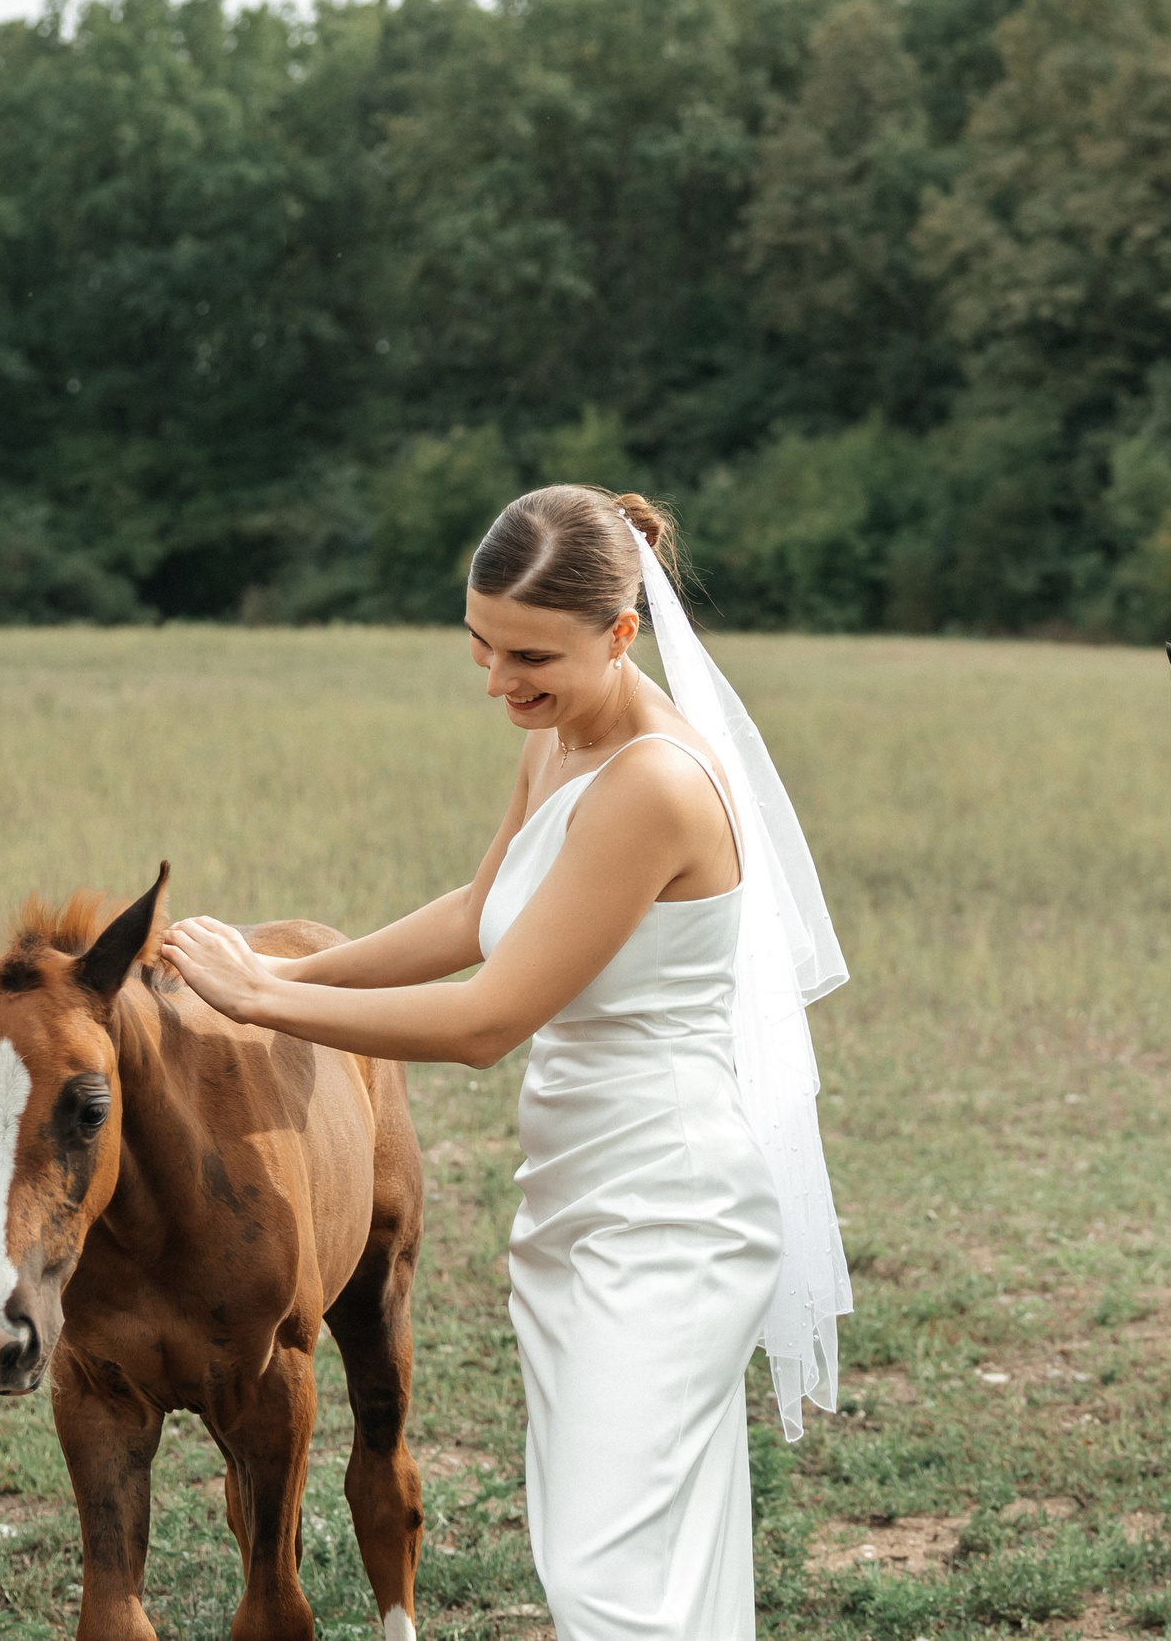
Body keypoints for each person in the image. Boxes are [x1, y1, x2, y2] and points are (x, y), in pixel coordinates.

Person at [159, 486, 851, 1641]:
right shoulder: (562, 739)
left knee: (607, 1568)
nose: (499, 681)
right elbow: (480, 915)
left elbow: (488, 1019)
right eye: (480, 645)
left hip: (668, 1207)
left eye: (531, 656)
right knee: (639, 1548)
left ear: (621, 635)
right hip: (578, 1190)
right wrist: (290, 968)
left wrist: (265, 999)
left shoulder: (656, 785)